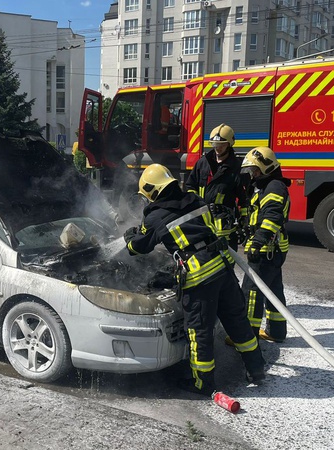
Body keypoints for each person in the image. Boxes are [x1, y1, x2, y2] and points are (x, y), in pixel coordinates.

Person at [124, 164, 266, 395]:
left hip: (200, 279)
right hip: (222, 269)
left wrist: (130, 236)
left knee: (199, 333)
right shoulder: (194, 200)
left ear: (153, 191)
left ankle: (203, 384)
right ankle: (256, 368)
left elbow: (138, 248)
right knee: (237, 321)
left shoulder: (156, 215)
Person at [239, 147, 291, 343]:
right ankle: (277, 332)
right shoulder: (267, 185)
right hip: (273, 249)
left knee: (251, 292)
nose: (253, 174)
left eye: (256, 170)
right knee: (274, 291)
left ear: (266, 167)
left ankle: (247, 337)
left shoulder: (274, 187)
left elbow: (272, 217)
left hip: (266, 249)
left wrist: (258, 241)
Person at [184, 123, 248, 251]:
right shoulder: (203, 163)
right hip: (201, 218)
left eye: (221, 144)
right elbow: (190, 185)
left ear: (229, 144)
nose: (217, 147)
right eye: (215, 144)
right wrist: (194, 202)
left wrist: (244, 221)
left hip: (224, 224)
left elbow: (244, 198)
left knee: (227, 258)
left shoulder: (237, 167)